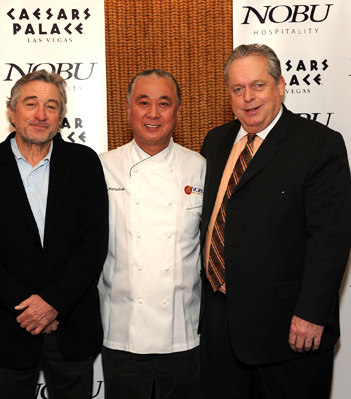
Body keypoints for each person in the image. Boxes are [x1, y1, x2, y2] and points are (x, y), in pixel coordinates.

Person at [199, 44, 351, 398]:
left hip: (289, 330)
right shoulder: (216, 142)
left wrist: (313, 313)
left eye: (258, 85)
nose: (248, 97)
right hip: (220, 326)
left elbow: (330, 237)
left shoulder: (318, 144)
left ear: (280, 85)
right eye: (238, 89)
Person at [0, 69, 109, 399]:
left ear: (61, 116)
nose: (41, 115)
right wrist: (31, 309)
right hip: (6, 328)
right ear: (12, 111)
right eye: (31, 104)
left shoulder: (84, 164)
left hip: (71, 326)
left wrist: (54, 303)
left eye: (52, 106)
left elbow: (94, 243)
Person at [98, 69, 206, 398]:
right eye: (143, 102)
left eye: (164, 103)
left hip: (184, 334)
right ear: (128, 107)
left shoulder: (200, 167)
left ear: (178, 110)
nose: (153, 114)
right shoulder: (101, 167)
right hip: (122, 333)